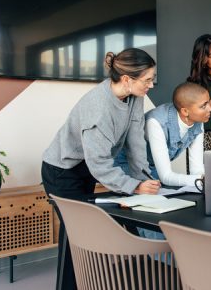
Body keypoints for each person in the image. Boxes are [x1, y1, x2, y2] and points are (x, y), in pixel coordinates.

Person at [41, 48, 160, 290]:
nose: (151, 85)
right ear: (127, 79)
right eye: (147, 79)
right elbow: (99, 164)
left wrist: (144, 179)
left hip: (85, 168)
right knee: (76, 236)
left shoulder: (134, 96)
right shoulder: (98, 108)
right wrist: (134, 186)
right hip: (63, 170)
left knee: (87, 235)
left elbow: (136, 141)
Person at [145, 82, 211, 186]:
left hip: (155, 170)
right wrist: (205, 181)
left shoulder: (198, 120)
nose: (210, 108)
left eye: (208, 103)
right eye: (203, 106)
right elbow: (166, 177)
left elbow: (197, 169)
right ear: (185, 111)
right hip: (129, 168)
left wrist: (205, 179)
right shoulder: (156, 122)